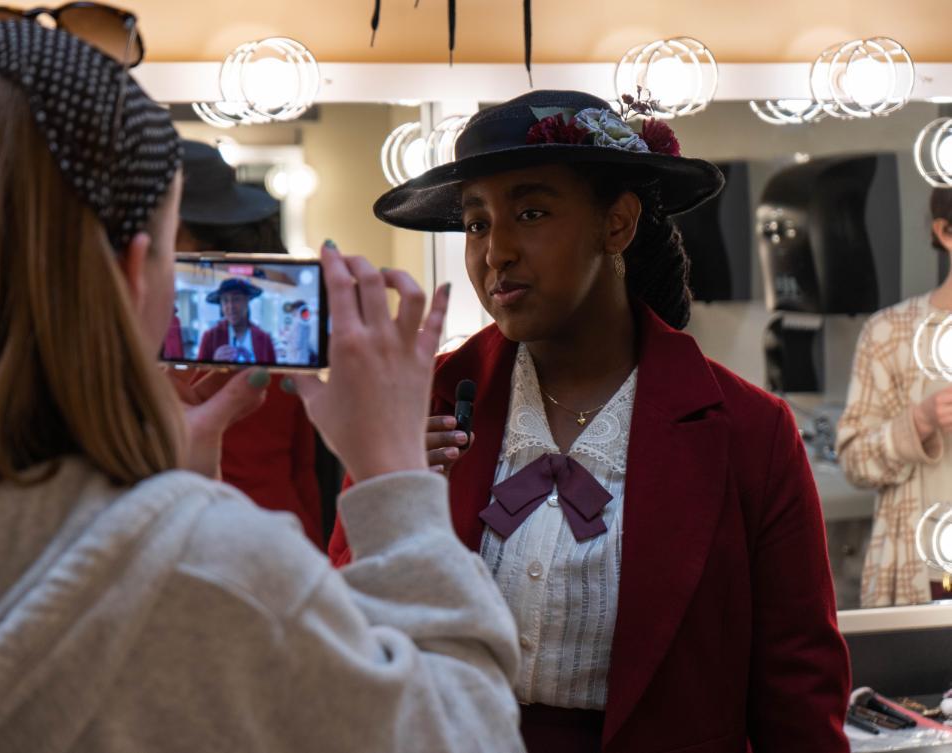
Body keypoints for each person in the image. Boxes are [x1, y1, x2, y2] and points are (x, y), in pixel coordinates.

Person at [0, 18, 525, 753]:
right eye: (170, 256)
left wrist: (183, 477)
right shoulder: (211, 575)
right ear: (131, 277)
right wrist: (393, 473)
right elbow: (467, 731)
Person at [328, 90, 850, 752]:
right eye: (478, 223)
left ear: (618, 224)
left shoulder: (749, 433)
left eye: (532, 211)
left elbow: (798, 703)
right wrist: (389, 492)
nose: (496, 252)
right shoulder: (421, 403)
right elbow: (345, 636)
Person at [176, 140, 326, 547]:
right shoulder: (204, 340)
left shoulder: (272, 343)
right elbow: (303, 471)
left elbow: (302, 467)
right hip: (273, 538)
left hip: (256, 538)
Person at [838, 187, 952, 607]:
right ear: (946, 232)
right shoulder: (890, 334)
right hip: (921, 576)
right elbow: (853, 460)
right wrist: (917, 423)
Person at [197, 278, 278, 364]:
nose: (231, 306)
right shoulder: (210, 337)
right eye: (225, 300)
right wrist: (214, 364)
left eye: (236, 299)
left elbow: (272, 374)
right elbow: (198, 374)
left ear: (247, 301)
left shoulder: (264, 339)